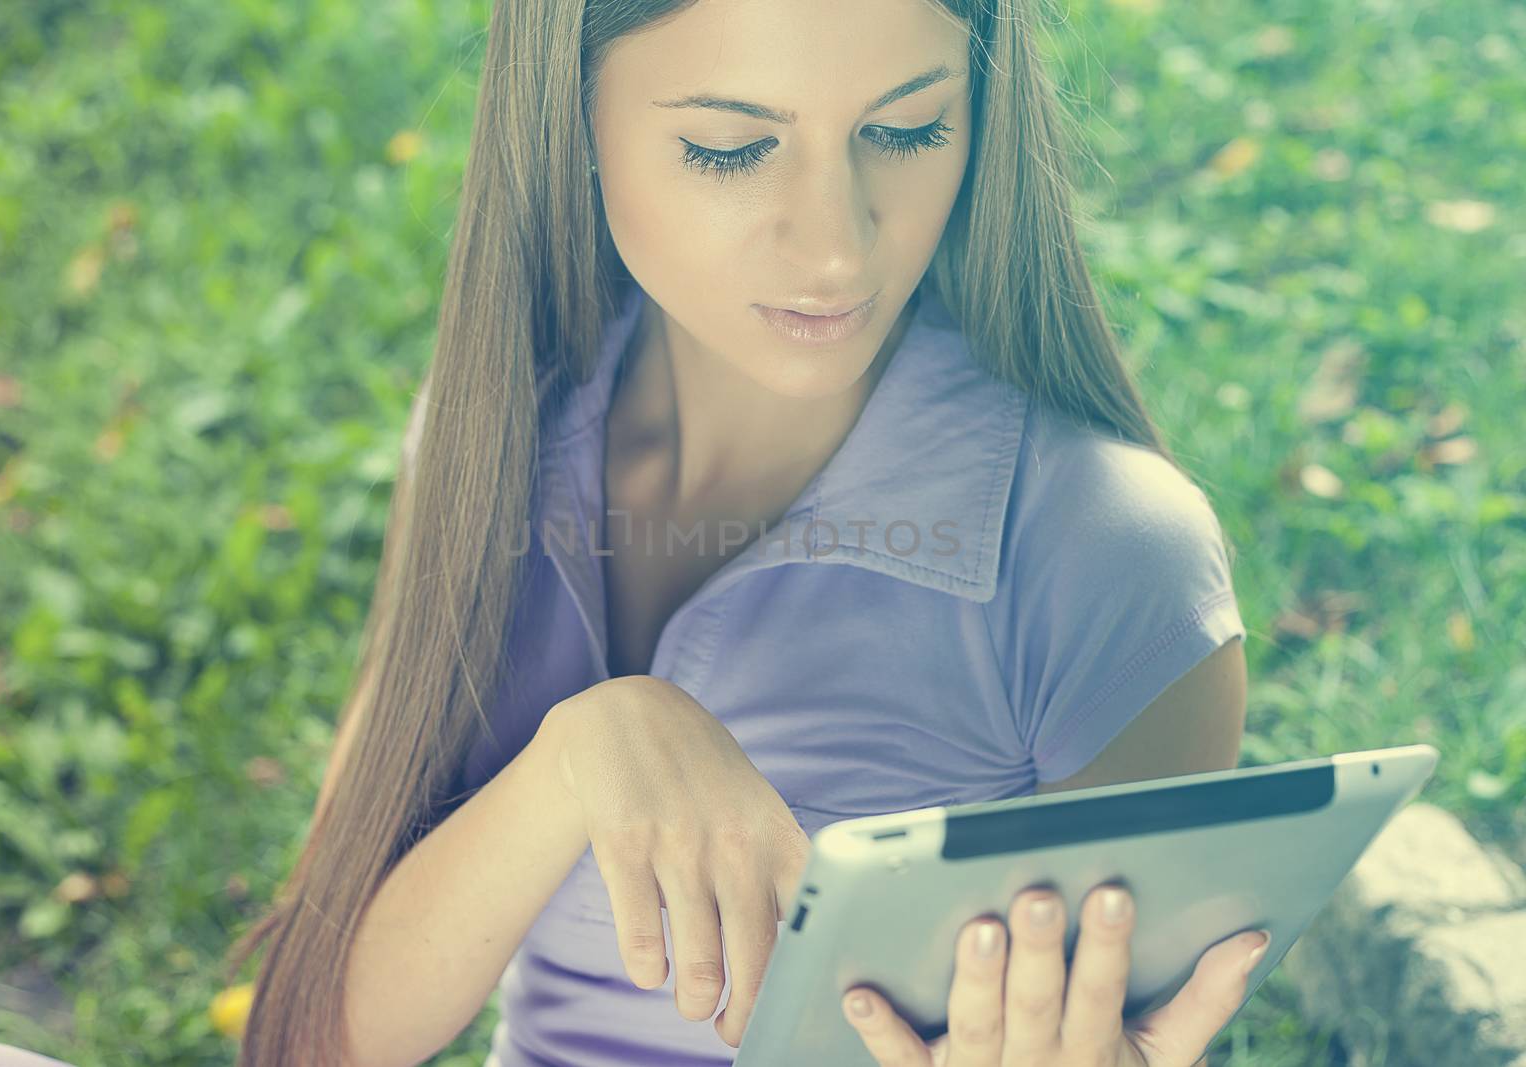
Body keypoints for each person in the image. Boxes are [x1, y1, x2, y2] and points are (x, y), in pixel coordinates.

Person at [225, 1, 1261, 1065]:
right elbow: (305, 1040)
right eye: (731, 148)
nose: (833, 246)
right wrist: (581, 757)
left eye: (906, 131)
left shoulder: (1107, 553)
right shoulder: (492, 427)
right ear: (566, 120)